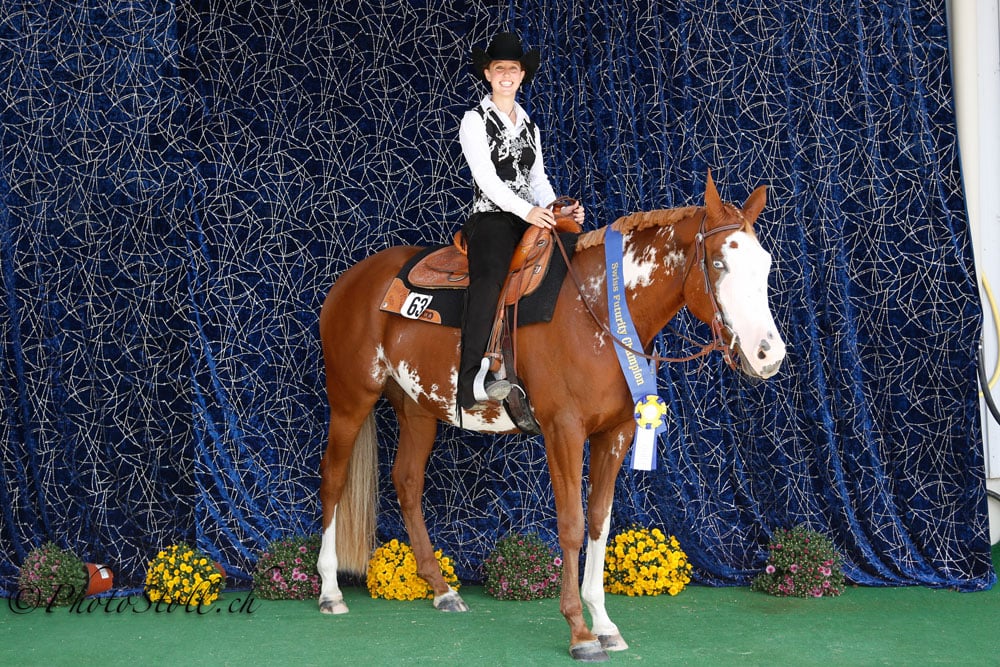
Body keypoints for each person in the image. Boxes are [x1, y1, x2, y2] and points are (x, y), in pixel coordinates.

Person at [457, 32, 585, 411]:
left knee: (573, 258)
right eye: (500, 69)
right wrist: (527, 211)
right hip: (492, 217)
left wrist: (558, 209)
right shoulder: (474, 120)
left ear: (522, 75)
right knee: (490, 278)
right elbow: (485, 178)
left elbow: (537, 179)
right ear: (488, 74)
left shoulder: (531, 126)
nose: (507, 75)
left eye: (513, 69)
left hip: (532, 216)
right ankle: (471, 382)